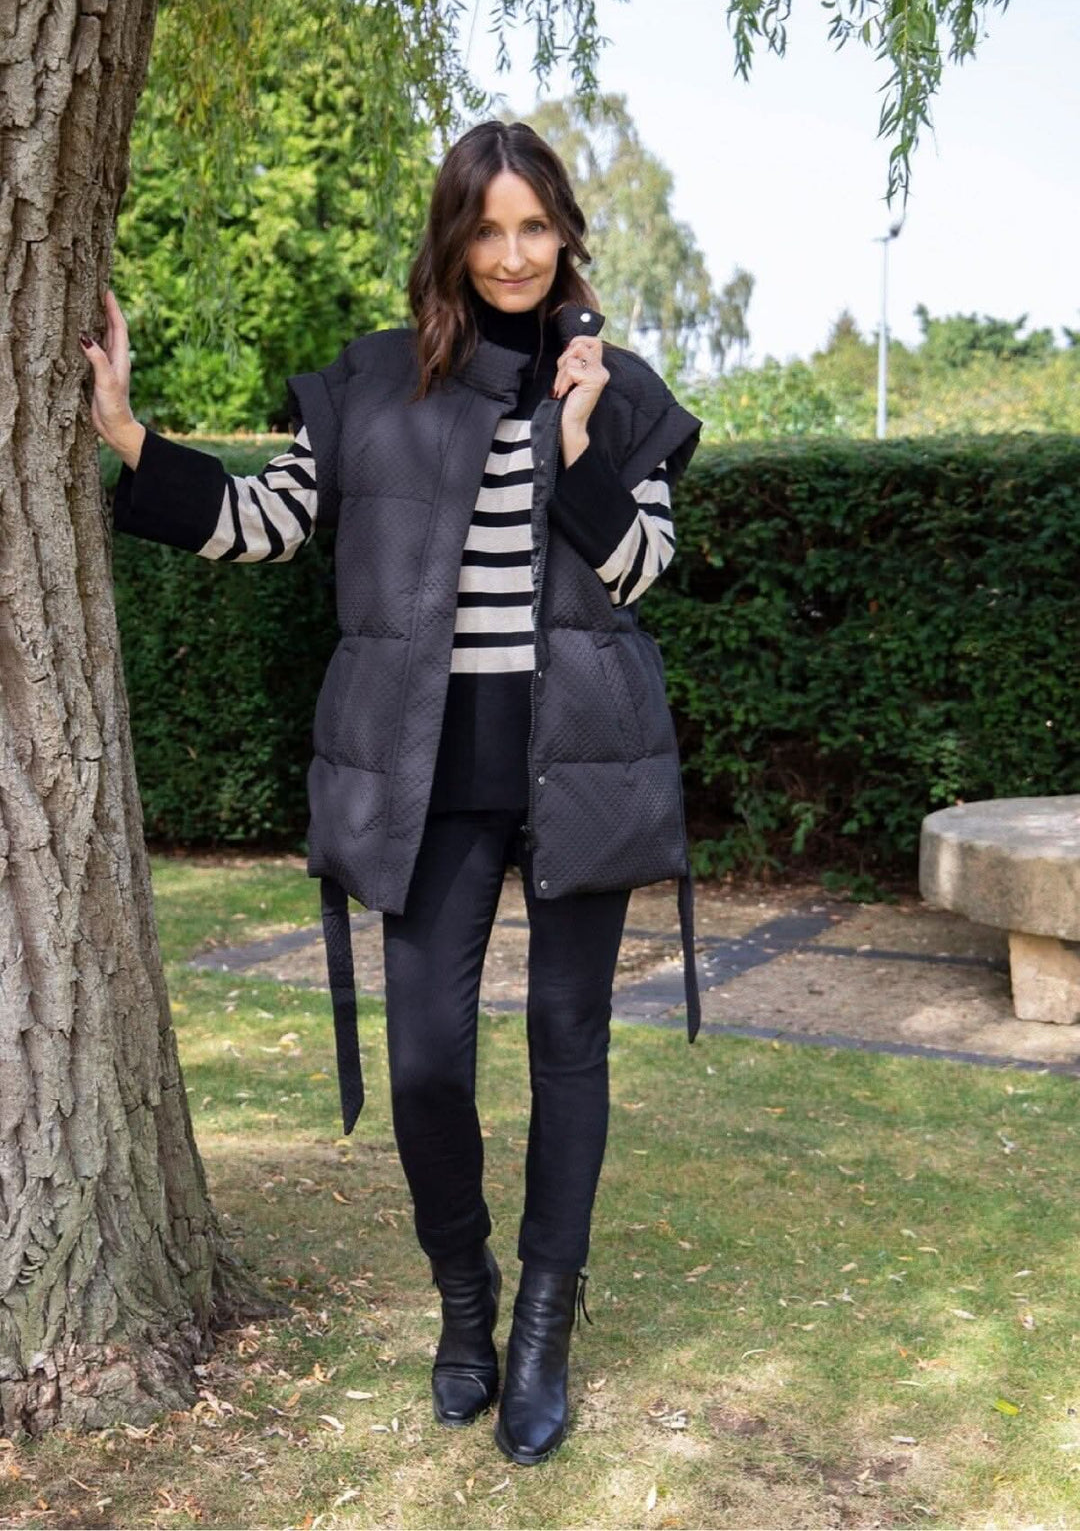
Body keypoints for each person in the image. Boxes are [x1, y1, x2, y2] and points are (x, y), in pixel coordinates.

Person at [85, 119, 703, 1467]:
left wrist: (582, 439)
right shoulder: (374, 384)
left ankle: (545, 1321)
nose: (514, 254)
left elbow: (645, 569)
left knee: (568, 1047)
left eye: (534, 225)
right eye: (487, 228)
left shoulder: (625, 387)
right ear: (452, 239)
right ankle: (465, 1301)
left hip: (581, 767)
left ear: (564, 230)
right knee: (427, 1061)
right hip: (431, 784)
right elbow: (270, 519)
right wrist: (133, 436)